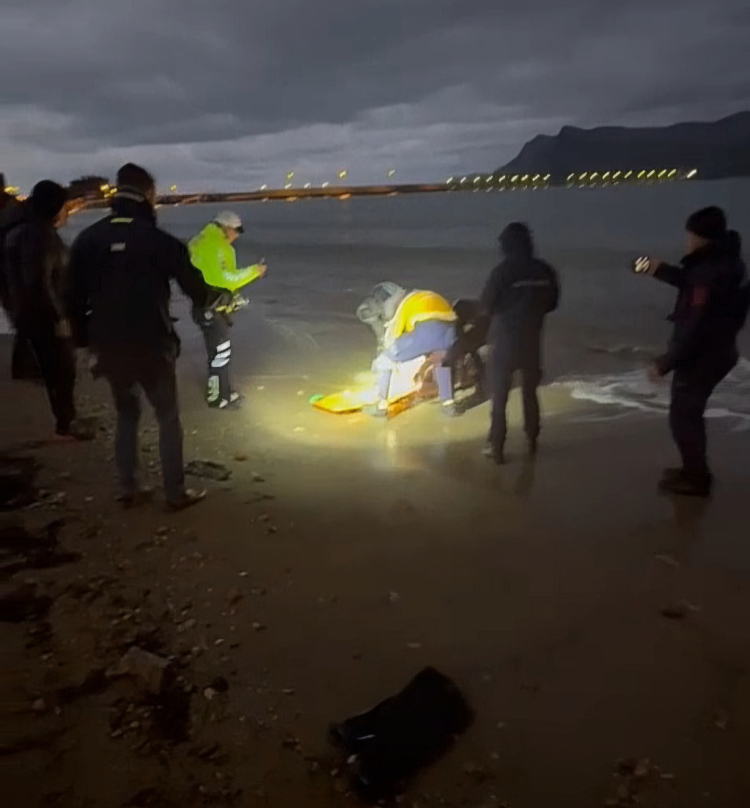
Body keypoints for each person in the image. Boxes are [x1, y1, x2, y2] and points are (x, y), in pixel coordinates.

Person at [67, 163, 210, 510]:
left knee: (127, 413)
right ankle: (175, 492)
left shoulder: (87, 240)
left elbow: (71, 299)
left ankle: (129, 487)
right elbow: (196, 289)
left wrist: (84, 343)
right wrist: (216, 302)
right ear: (148, 193)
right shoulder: (160, 241)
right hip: (152, 342)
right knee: (167, 416)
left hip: (108, 344)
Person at [638, 207, 749, 497]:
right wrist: (656, 269)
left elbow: (695, 328)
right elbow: (693, 282)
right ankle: (692, 471)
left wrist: (665, 364)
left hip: (703, 357)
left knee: (683, 417)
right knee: (688, 414)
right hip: (721, 351)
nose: (686, 241)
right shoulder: (725, 262)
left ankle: (696, 479)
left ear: (703, 238)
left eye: (690, 236)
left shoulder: (708, 273)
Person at [2, 180, 82, 439]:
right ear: (55, 208)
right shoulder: (40, 236)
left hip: (27, 313)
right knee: (62, 368)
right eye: (65, 207)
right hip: (44, 315)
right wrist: (58, 317)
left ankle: (65, 419)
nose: (68, 212)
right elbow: (39, 280)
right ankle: (67, 421)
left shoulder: (23, 232)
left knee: (55, 368)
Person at [480, 223, 559, 464]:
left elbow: (487, 304)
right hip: (532, 341)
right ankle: (532, 438)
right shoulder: (545, 270)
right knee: (530, 393)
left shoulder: (503, 272)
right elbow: (553, 303)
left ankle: (496, 447)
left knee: (500, 397)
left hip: (505, 341)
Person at [188, 211, 267, 409]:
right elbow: (226, 280)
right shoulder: (218, 247)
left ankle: (224, 391)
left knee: (218, 352)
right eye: (236, 230)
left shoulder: (198, 241)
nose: (237, 235)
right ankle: (218, 398)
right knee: (219, 354)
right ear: (225, 227)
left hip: (202, 305)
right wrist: (254, 271)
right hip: (212, 308)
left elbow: (207, 276)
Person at [357, 283, 457, 416]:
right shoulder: (422, 295)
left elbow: (393, 340)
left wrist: (383, 357)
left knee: (385, 360)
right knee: (439, 361)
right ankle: (448, 405)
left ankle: (381, 406)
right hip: (450, 333)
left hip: (426, 330)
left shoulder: (404, 306)